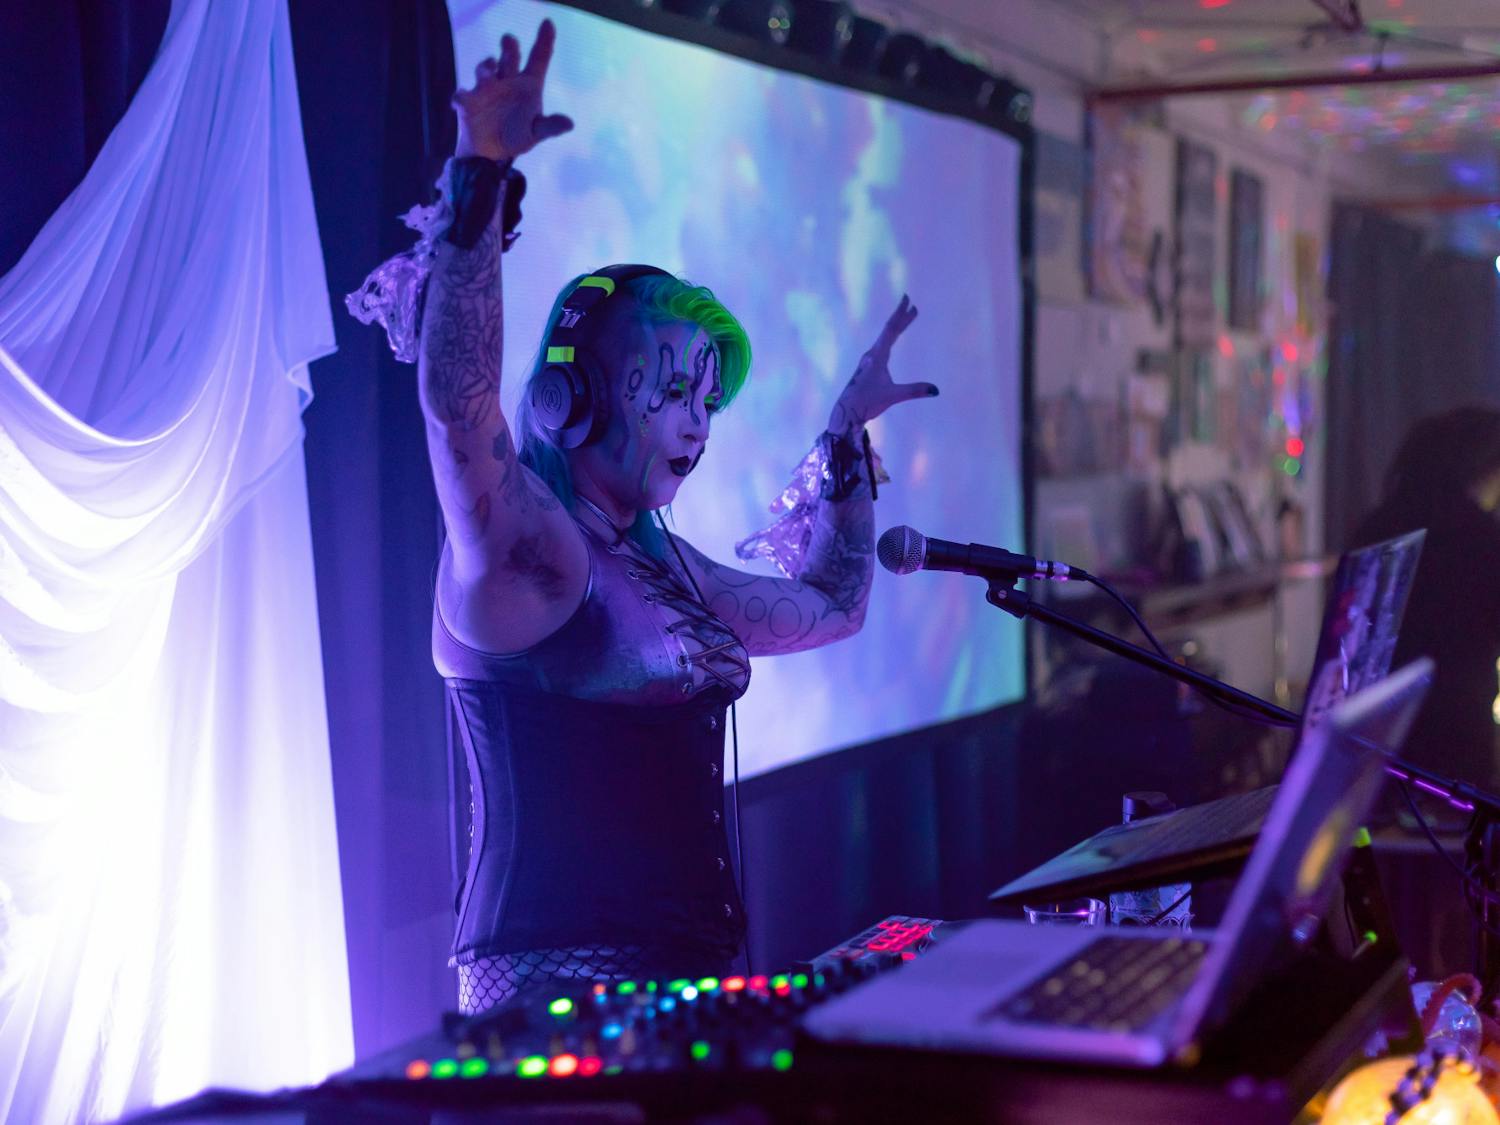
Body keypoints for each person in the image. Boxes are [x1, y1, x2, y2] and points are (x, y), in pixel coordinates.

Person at [352, 22, 939, 1013]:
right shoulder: (528, 551)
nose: (698, 424)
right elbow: (457, 399)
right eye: (671, 390)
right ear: (572, 400)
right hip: (550, 1003)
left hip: (684, 985)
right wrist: (481, 171)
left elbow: (834, 607)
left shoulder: (664, 567)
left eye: (709, 400)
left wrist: (844, 435)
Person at [1353, 406, 1500, 792]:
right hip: (1458, 744)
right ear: (1484, 468)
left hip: (1372, 744)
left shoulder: (1376, 526)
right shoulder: (1481, 538)